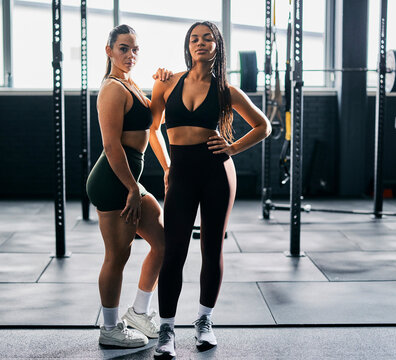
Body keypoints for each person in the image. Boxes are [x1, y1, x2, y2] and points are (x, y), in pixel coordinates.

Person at [150, 21, 271, 357]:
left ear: (217, 45)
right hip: (181, 173)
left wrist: (232, 148)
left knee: (211, 246)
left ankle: (204, 321)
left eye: (207, 38)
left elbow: (264, 126)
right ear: (187, 46)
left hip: (216, 172)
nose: (200, 43)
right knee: (173, 250)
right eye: (194, 39)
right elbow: (153, 129)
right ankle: (166, 330)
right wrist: (166, 167)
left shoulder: (226, 91)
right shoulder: (167, 82)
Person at [86, 24, 171, 348]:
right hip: (112, 181)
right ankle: (110, 329)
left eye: (135, 49)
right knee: (117, 255)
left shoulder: (132, 84)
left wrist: (167, 166)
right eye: (123, 48)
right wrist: (132, 189)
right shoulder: (112, 89)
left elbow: (154, 127)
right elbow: (112, 147)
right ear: (109, 51)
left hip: (129, 180)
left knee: (163, 243)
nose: (130, 55)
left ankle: (138, 312)